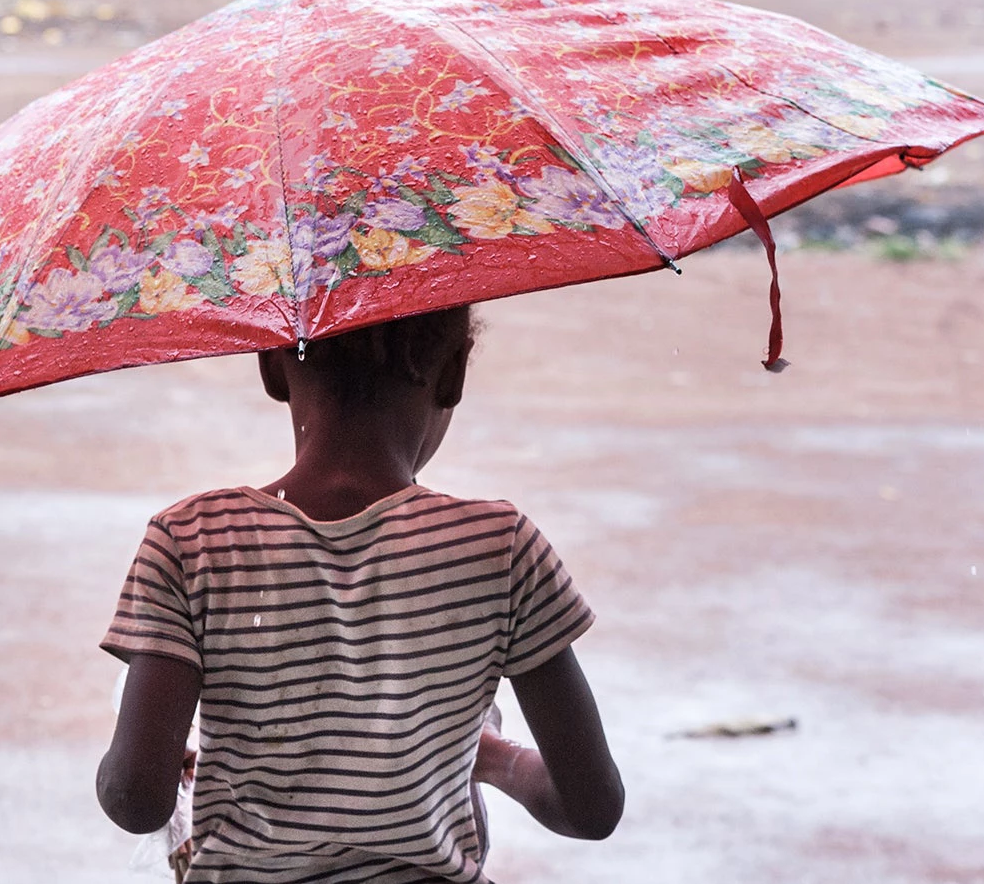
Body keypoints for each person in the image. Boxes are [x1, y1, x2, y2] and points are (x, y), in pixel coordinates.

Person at [97, 308, 624, 882]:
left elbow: (136, 799)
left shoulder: (191, 539)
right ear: (454, 375)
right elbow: (592, 807)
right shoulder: (501, 546)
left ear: (271, 366)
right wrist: (496, 758)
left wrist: (147, 750)